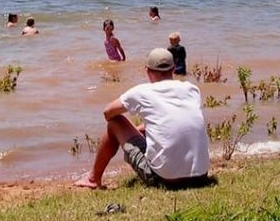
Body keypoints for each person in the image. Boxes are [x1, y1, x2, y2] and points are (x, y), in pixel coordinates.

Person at [74, 48, 210, 189]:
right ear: (173, 68)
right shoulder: (192, 89)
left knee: (115, 122)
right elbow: (176, 122)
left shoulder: (142, 91)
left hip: (166, 180)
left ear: (147, 70)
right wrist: (140, 129)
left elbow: (108, 113)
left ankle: (93, 179)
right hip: (201, 176)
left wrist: (131, 129)